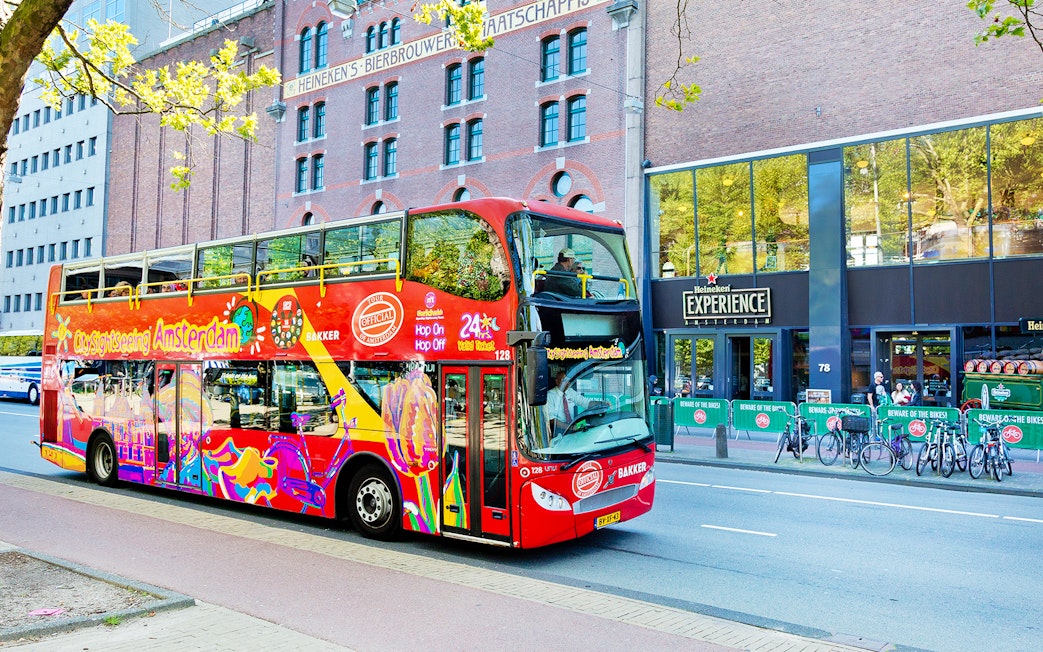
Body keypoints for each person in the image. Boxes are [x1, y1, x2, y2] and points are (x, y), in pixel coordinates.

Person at [546, 369, 590, 435]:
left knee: (591, 424)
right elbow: (552, 420)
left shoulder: (570, 392)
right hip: (559, 432)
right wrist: (570, 427)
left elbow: (585, 402)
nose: (568, 383)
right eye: (564, 380)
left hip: (574, 428)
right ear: (557, 381)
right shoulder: (549, 396)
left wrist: (601, 403)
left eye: (568, 380)